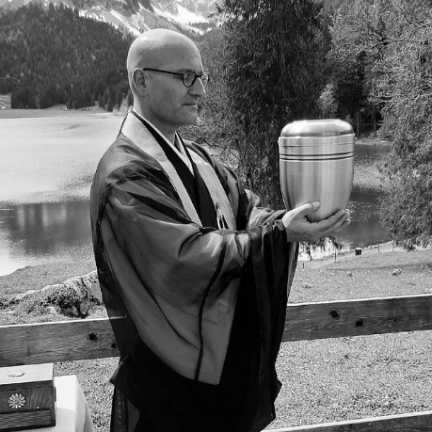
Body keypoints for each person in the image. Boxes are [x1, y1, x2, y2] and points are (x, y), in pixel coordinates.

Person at [90, 29, 350, 432]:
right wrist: (279, 234)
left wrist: (289, 222)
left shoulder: (196, 157)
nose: (200, 91)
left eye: (202, 76)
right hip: (166, 382)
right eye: (185, 77)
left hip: (216, 377)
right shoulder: (124, 176)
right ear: (140, 80)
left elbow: (246, 212)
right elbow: (185, 258)